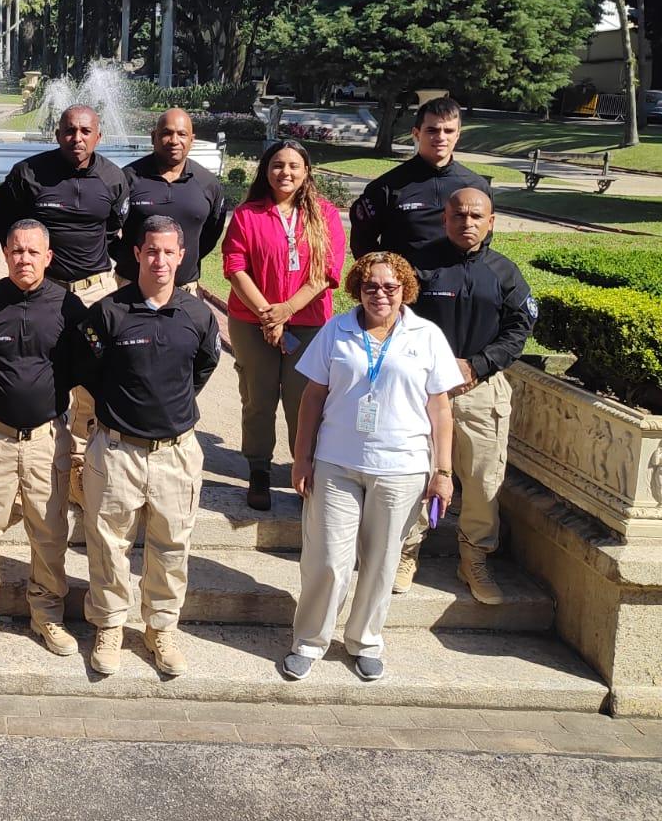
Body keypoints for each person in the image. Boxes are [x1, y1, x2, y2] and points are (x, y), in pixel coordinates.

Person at [281, 252, 460, 684]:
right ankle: (309, 641)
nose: (380, 294)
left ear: (405, 290)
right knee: (327, 560)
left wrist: (443, 471)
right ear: (357, 288)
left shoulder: (427, 334)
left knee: (381, 562)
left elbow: (440, 408)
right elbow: (312, 397)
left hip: (401, 466)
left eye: (390, 287)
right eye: (370, 286)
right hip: (336, 462)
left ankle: (365, 641)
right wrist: (301, 457)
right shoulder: (336, 330)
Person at [77, 216, 220, 678]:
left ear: (182, 257)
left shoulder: (197, 314)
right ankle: (111, 625)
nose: (160, 260)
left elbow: (202, 369)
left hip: (176, 453)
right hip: (117, 451)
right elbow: (90, 374)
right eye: (151, 251)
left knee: (172, 545)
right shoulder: (108, 312)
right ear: (137, 254)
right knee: (107, 545)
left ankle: (160, 628)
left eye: (169, 252)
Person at [0, 219, 87, 657]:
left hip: (47, 440)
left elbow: (78, 367)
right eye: (16, 251)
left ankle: (47, 613)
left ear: (48, 257)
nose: (24, 258)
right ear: (4, 254)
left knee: (48, 532)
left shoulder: (70, 308)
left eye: (33, 252)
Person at [398, 188, 536, 602]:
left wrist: (477, 364)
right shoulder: (419, 266)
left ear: (491, 222)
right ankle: (405, 552)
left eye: (477, 216)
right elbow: (393, 316)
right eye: (459, 215)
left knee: (481, 480)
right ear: (445, 219)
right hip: (422, 390)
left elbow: (519, 330)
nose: (467, 223)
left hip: (481, 390)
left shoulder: (505, 273)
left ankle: (473, 559)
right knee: (414, 473)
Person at [0, 104, 129, 506]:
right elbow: (7, 224)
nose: (77, 138)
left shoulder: (112, 178)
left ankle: (80, 468)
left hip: (95, 290)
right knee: (40, 370)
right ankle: (35, 461)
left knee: (92, 375)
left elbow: (117, 231)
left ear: (98, 136)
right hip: (43, 290)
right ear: (57, 134)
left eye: (86, 131)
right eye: (69, 130)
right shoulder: (29, 174)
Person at [222, 140, 346, 510]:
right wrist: (267, 314)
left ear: (307, 171)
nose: (285, 172)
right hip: (251, 322)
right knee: (258, 398)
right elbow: (235, 267)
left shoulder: (325, 215)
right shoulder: (248, 214)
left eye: (294, 165)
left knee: (303, 399)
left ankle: (303, 468)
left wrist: (286, 311)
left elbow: (327, 271)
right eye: (277, 165)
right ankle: (258, 468)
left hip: (308, 324)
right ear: (266, 170)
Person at [348, 96, 488, 263]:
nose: (441, 137)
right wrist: (388, 280)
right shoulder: (386, 187)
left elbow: (482, 246)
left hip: (457, 287)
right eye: (432, 130)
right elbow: (362, 244)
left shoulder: (476, 187)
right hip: (404, 286)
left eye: (449, 131)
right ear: (416, 134)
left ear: (458, 135)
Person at [114, 108, 226, 289]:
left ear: (192, 140)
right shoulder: (127, 178)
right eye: (166, 133)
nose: (174, 141)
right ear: (153, 137)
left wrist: (185, 260)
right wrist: (127, 258)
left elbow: (211, 234)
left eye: (182, 134)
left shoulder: (208, 183)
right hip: (131, 286)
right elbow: (108, 229)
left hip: (183, 288)